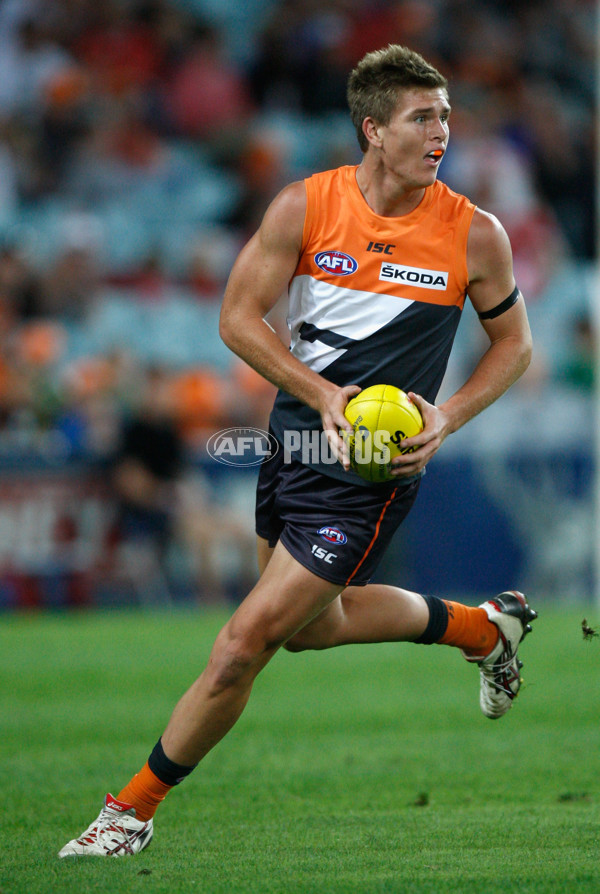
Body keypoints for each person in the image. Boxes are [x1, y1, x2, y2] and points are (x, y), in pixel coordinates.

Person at [59, 44, 536, 858]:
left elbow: (515, 346)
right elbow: (238, 317)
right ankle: (485, 630)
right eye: (423, 117)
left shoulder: (474, 234)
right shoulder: (306, 207)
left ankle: (128, 812)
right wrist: (318, 395)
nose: (442, 132)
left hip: (371, 472)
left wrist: (448, 417)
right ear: (373, 129)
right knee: (315, 629)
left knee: (243, 644)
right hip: (293, 442)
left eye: (446, 115)